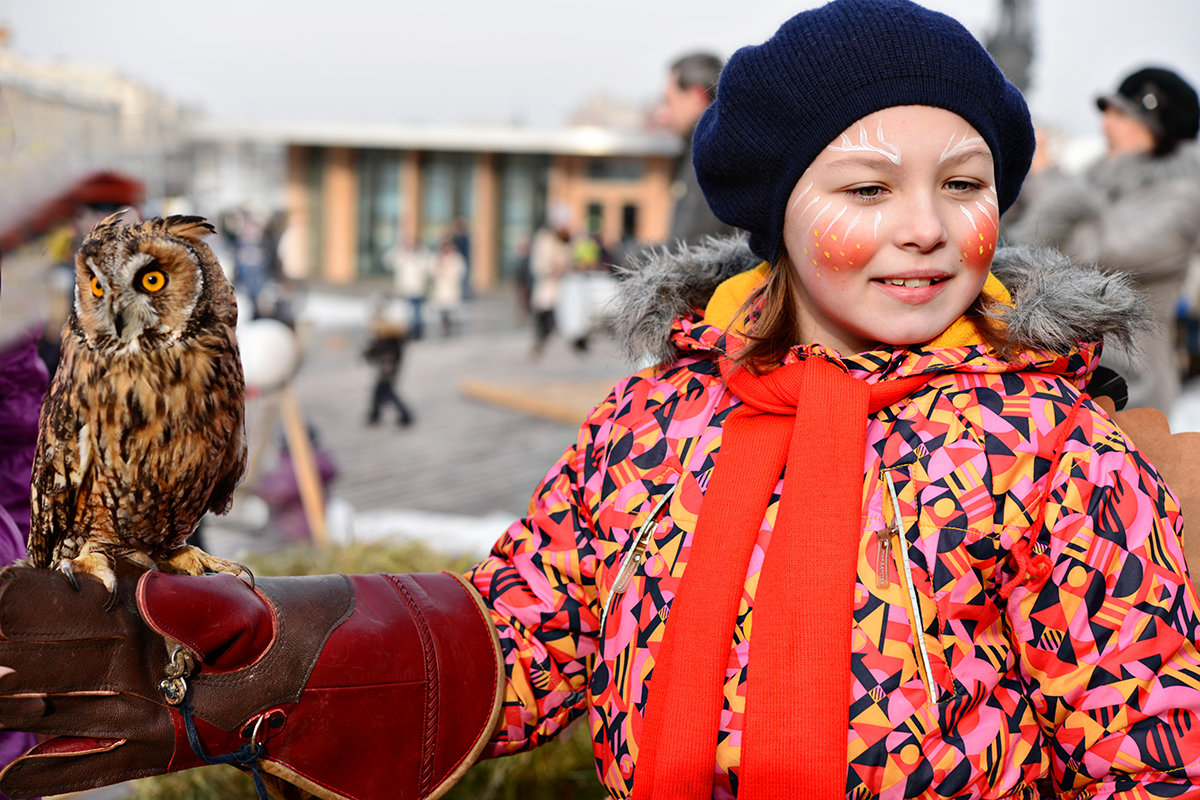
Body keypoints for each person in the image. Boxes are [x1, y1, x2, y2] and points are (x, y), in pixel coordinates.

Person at [1, 3, 1199, 800]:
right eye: (869, 185)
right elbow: (533, 631)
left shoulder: (1055, 447)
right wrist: (296, 655)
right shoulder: (656, 422)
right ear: (777, 210)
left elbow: (1142, 730)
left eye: (965, 182)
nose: (926, 227)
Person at [1005, 66, 1200, 415]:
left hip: (1133, 394)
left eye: (1122, 113)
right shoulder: (1096, 184)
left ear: (1159, 130)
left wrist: (1046, 174)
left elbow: (1096, 250)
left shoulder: (1185, 197)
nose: (1107, 123)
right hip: (1073, 379)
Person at [660, 51, 736, 246]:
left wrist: (614, 255)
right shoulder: (723, 147)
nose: (665, 114)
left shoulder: (709, 158)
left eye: (669, 101)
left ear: (696, 97)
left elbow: (687, 251)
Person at [528, 207, 573, 357]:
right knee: (544, 314)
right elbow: (538, 263)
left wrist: (565, 267)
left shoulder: (567, 239)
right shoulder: (544, 239)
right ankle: (540, 342)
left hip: (563, 287)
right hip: (547, 285)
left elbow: (570, 258)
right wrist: (551, 268)